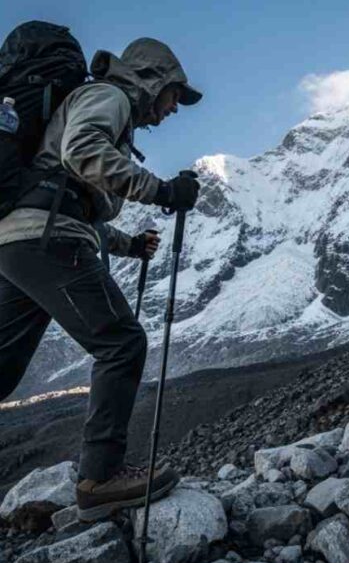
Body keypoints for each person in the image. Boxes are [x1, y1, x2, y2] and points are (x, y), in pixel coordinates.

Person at [0, 37, 202, 521]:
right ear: (153, 81)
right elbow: (82, 152)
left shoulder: (105, 105)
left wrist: (128, 245)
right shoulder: (108, 97)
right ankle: (101, 477)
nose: (175, 109)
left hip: (22, 242)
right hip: (48, 241)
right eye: (175, 95)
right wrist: (163, 191)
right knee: (122, 342)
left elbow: (68, 197)